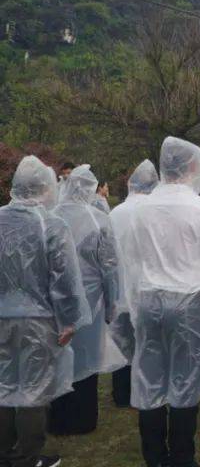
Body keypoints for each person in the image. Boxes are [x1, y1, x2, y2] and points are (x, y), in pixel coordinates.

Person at [124, 137, 200, 467]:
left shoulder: (141, 207)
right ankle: (181, 457)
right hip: (190, 302)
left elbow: (132, 262)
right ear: (191, 167)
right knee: (186, 380)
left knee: (149, 378)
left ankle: (154, 456)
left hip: (149, 298)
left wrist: (135, 305)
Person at [0, 156, 89, 467]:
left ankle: (6, 451)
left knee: (4, 383)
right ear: (43, 187)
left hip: (2, 318)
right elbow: (64, 278)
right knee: (33, 390)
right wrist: (69, 319)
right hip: (38, 319)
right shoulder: (50, 224)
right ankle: (27, 457)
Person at [48, 165, 122, 435]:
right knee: (87, 356)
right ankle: (83, 418)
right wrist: (113, 302)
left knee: (59, 354)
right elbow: (110, 267)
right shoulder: (99, 219)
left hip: (56, 297)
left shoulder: (50, 216)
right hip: (91, 298)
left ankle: (58, 417)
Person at [108, 159, 159, 409]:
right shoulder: (156, 211)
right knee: (147, 343)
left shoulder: (115, 213)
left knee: (121, 342)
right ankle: (145, 391)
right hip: (149, 288)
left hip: (120, 285)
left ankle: (121, 393)